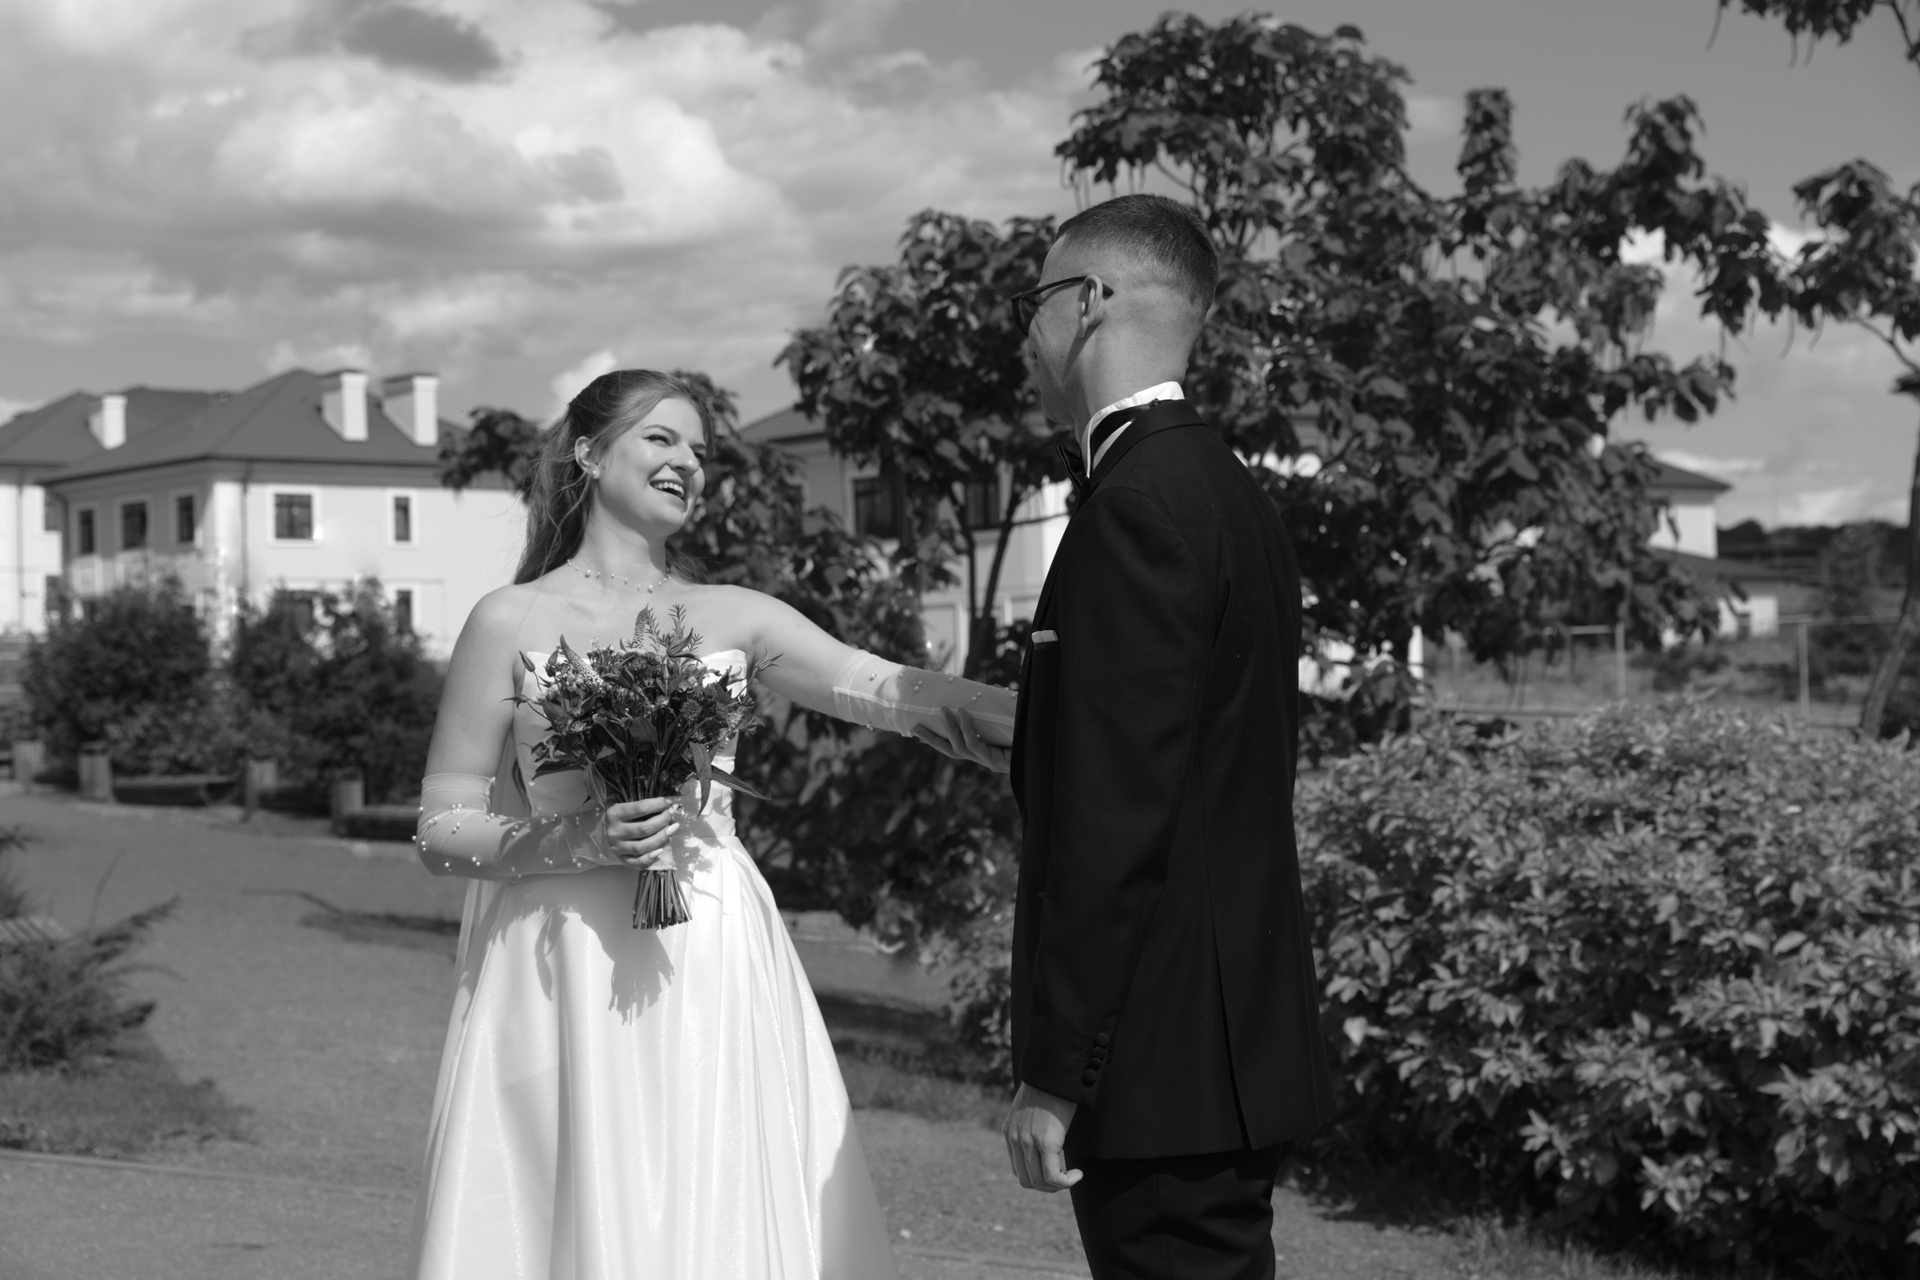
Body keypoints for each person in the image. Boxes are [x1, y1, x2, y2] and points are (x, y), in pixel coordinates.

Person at [406, 369, 1014, 1280]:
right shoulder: (507, 619)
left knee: (715, 1180)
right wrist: (575, 840)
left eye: (700, 450)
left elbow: (882, 687)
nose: (689, 463)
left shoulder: (735, 613)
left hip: (706, 942)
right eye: (662, 439)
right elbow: (441, 826)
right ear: (588, 453)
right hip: (560, 950)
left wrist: (1036, 714)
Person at [997, 195, 1337, 1279]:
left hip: (1159, 1056)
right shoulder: (1229, 493)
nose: (1025, 334)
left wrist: (1057, 1069)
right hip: (1225, 1043)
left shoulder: (1136, 506)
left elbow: (1116, 817)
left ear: (1090, 301)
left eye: (1034, 302)